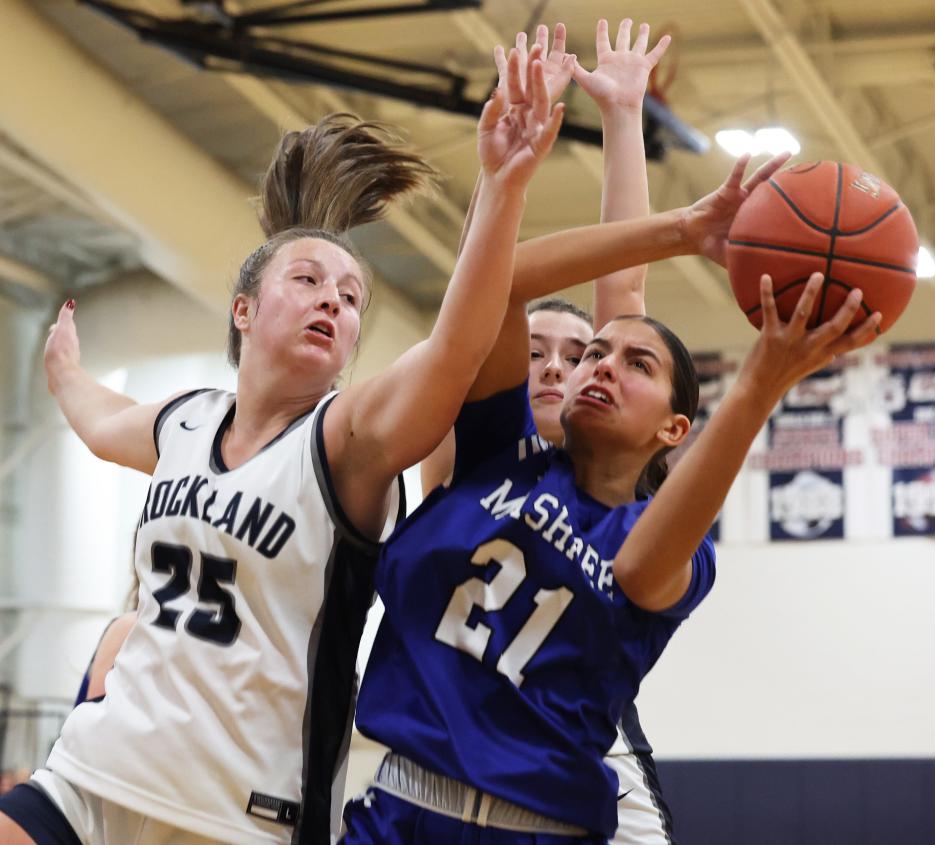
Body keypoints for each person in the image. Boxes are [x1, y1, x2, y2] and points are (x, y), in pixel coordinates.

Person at [0, 49, 566, 845]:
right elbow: (102, 421)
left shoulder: (345, 441)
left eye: (350, 297)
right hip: (96, 774)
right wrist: (63, 372)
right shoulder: (185, 422)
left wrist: (502, 185)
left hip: (243, 809)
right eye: (307, 281)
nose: (332, 301)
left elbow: (454, 352)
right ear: (243, 308)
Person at [341, 168, 884, 845]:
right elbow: (502, 279)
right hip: (396, 809)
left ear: (673, 430)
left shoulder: (662, 547)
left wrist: (762, 378)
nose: (600, 366)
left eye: (638, 365)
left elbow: (636, 571)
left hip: (540, 829)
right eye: (595, 352)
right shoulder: (495, 453)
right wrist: (682, 229)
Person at [420, 21, 677, 843]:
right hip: (443, 765)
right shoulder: (480, 443)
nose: (562, 368)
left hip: (579, 759)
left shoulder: (616, 473)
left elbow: (625, 291)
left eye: (583, 354)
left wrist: (625, 115)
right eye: (540, 352)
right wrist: (504, 171)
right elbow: (482, 286)